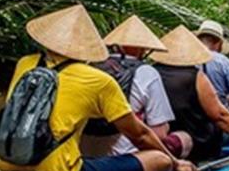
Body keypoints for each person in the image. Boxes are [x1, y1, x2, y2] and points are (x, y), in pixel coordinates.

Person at [0, 5, 196, 171]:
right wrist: (176, 162)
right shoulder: (97, 80)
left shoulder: (25, 64)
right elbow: (140, 135)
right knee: (160, 160)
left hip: (9, 161)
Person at [80, 15, 193, 159]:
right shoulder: (146, 72)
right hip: (126, 156)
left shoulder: (90, 66)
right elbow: (159, 132)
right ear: (142, 48)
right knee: (184, 138)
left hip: (84, 154)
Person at [151, 26, 229, 162]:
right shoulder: (195, 76)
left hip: (166, 138)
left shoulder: (151, 72)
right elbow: (219, 115)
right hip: (200, 142)